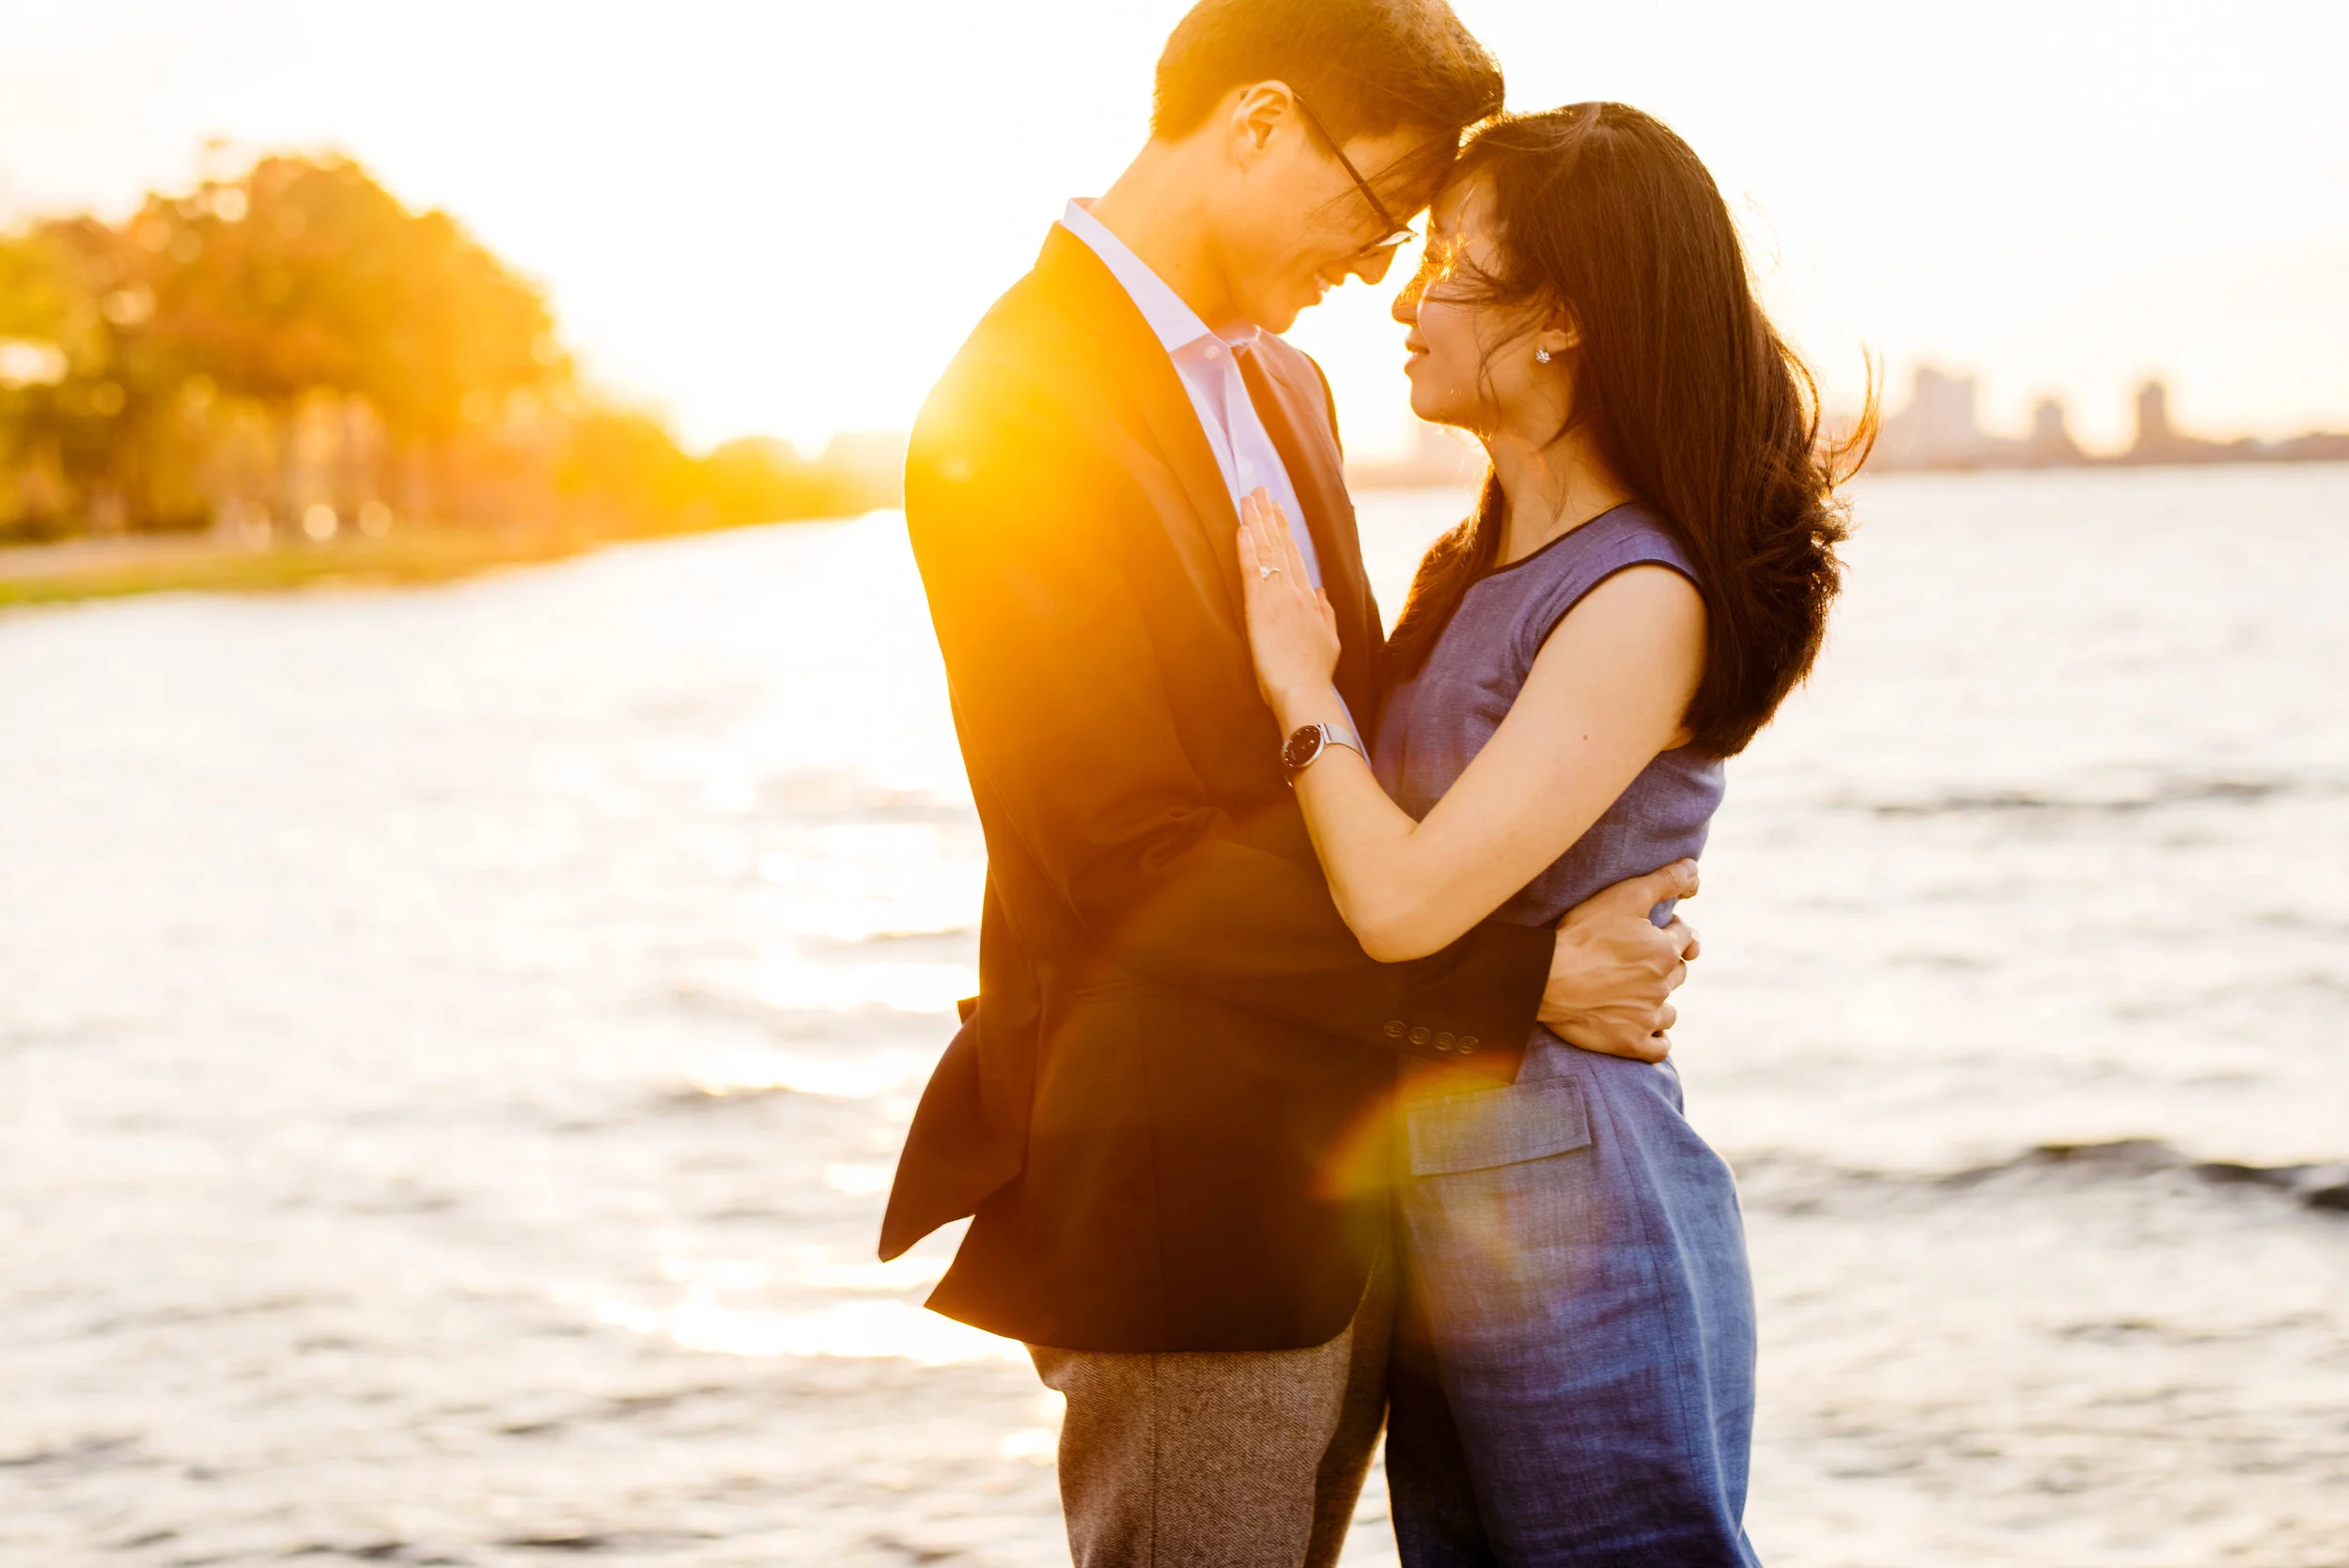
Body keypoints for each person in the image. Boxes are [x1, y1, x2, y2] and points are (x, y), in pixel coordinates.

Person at [879, 5, 1702, 1564]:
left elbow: (1363, 758)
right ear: (1258, 122)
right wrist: (1526, 980)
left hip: (1356, 1187)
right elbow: (1121, 856)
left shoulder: (1289, 391)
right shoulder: (1014, 406)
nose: (1386, 262)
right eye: (1379, 205)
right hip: (1188, 1198)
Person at [1237, 101, 1868, 1564]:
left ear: (1561, 322)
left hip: (1578, 1200)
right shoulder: (1478, 559)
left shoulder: (1641, 592)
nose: (1409, 298)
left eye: (1455, 262)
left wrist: (1297, 685)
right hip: (1453, 1206)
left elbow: (1396, 907)